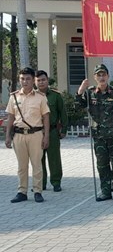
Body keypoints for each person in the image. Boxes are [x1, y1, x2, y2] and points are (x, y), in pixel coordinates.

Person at [77, 64, 113, 202]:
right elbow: (78, 105)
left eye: (103, 74)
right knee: (102, 165)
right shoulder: (90, 93)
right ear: (94, 77)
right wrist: (80, 90)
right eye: (98, 75)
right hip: (99, 136)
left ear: (108, 76)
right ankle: (105, 191)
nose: (101, 77)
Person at [5, 67, 50, 203]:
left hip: (35, 134)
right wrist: (7, 135)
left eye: (28, 79)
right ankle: (22, 191)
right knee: (21, 165)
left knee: (37, 164)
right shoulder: (14, 97)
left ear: (33, 80)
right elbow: (11, 117)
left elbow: (46, 117)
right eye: (22, 79)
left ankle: (37, 191)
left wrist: (46, 136)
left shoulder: (40, 98)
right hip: (19, 135)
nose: (25, 82)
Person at [36, 70, 67, 192]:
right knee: (38, 158)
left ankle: (56, 182)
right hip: (37, 131)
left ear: (47, 80)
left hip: (53, 131)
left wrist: (64, 129)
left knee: (54, 158)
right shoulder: (32, 96)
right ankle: (40, 183)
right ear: (35, 82)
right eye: (38, 80)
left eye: (43, 80)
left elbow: (62, 113)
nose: (41, 82)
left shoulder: (55, 96)